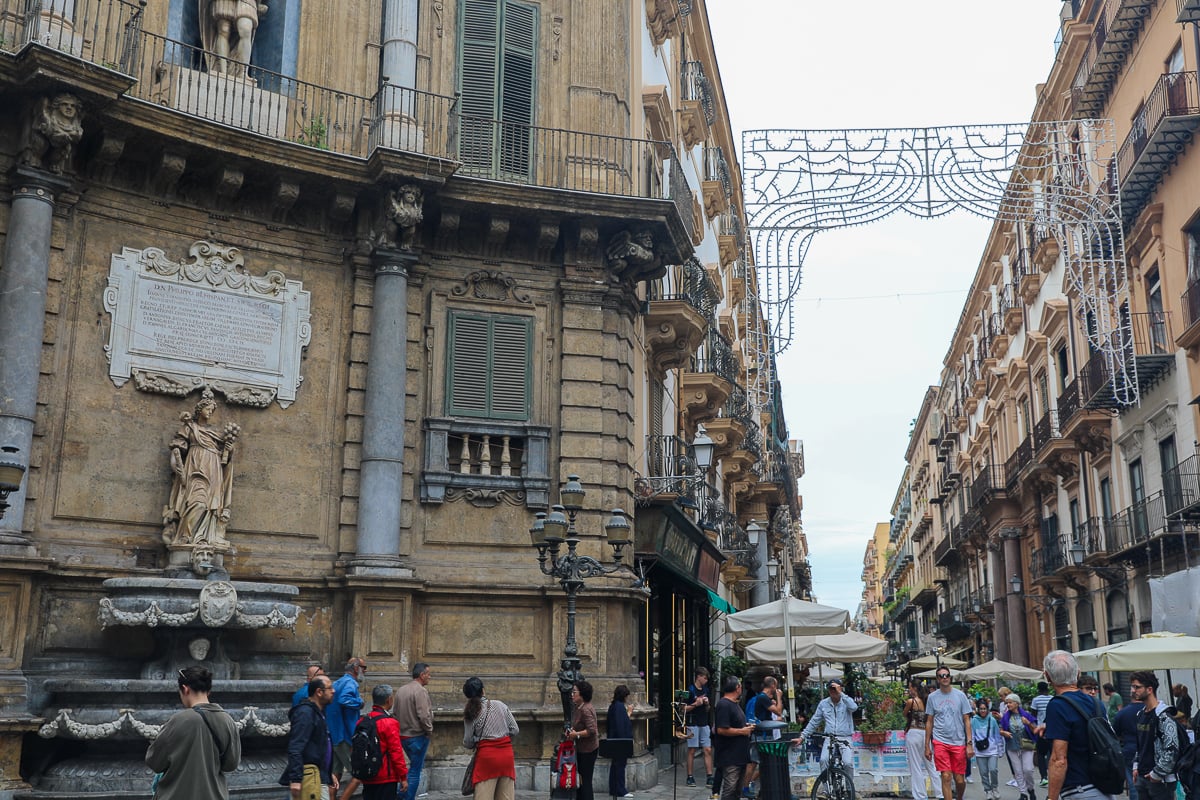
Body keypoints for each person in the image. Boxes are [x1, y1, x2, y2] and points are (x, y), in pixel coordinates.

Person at [146, 665, 241, 800]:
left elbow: (155, 762)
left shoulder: (178, 721)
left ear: (185, 689)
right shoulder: (227, 721)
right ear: (208, 691)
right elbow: (230, 764)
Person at [164, 387, 238, 548]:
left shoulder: (215, 433)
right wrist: (176, 466)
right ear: (200, 410)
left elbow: (225, 459)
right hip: (195, 468)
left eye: (212, 410)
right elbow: (177, 448)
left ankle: (205, 538)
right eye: (208, 409)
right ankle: (185, 536)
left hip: (213, 469)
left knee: (212, 506)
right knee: (197, 502)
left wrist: (229, 450)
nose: (210, 412)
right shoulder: (189, 427)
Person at [1043, 649, 1115, 800]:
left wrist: (1051, 798)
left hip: (1079, 790)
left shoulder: (1057, 706)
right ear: (1078, 673)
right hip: (1104, 787)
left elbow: (1059, 759)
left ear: (1047, 677)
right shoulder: (1097, 704)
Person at [340, 685, 408, 800]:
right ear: (389, 700)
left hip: (368, 774)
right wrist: (403, 776)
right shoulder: (390, 723)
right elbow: (396, 752)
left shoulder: (362, 721)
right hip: (386, 775)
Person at [281, 674, 338, 800]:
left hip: (319, 775)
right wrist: (296, 779)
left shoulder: (318, 712)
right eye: (330, 688)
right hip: (309, 777)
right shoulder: (305, 713)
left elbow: (321, 746)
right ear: (319, 692)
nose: (333, 691)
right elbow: (296, 746)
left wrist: (328, 773)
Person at [462, 677, 519, 800]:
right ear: (483, 691)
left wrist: (479, 739)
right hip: (506, 757)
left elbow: (468, 742)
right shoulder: (500, 705)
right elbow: (515, 729)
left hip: (486, 759)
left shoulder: (471, 712)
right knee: (506, 797)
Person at [924, 667, 974, 800]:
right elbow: (929, 721)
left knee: (959, 780)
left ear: (950, 678)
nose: (944, 677)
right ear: (937, 679)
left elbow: (967, 720)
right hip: (940, 741)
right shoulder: (932, 697)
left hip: (958, 741)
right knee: (946, 776)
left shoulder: (960, 695)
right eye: (941, 676)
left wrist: (969, 743)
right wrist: (927, 745)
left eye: (946, 675)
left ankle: (959, 797)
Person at [1132, 670, 1181, 800]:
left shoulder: (1163, 717)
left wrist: (1157, 774)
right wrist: (1136, 766)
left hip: (1160, 780)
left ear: (1149, 689)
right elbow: (1140, 745)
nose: (1133, 690)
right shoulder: (1140, 715)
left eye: (1137, 687)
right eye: (1132, 687)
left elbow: (1172, 749)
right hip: (1142, 777)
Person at [801, 678, 858, 781]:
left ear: (840, 688)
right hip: (829, 737)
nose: (833, 691)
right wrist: (802, 737)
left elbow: (854, 707)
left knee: (848, 763)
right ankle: (827, 789)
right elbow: (814, 721)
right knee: (823, 760)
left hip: (845, 737)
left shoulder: (846, 701)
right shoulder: (824, 704)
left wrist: (841, 693)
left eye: (834, 688)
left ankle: (850, 789)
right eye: (830, 689)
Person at [713, 676, 756, 800]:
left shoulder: (734, 704)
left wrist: (746, 726)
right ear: (737, 688)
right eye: (740, 686)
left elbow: (733, 724)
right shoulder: (724, 704)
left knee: (737, 789)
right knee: (730, 788)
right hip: (730, 755)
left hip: (739, 755)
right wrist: (742, 731)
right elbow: (721, 729)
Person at [395, 662, 434, 800]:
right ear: (422, 675)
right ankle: (406, 797)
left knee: (408, 770)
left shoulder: (401, 690)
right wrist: (429, 730)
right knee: (414, 771)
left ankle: (402, 795)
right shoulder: (420, 691)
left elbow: (395, 712)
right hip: (417, 736)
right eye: (428, 673)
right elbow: (424, 715)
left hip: (403, 735)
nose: (430, 676)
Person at [328, 657, 367, 782]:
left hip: (335, 734)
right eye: (364, 667)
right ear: (356, 668)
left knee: (335, 773)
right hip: (345, 736)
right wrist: (359, 702)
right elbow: (344, 699)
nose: (365, 671)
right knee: (358, 774)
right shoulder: (350, 683)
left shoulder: (337, 683)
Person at [746, 676, 784, 795]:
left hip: (762, 733)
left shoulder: (762, 698)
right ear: (772, 685)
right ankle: (745, 788)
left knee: (763, 763)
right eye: (776, 685)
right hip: (762, 735)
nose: (776, 688)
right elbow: (778, 711)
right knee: (754, 762)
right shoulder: (763, 698)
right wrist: (779, 697)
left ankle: (762, 788)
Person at [905, 679, 943, 800]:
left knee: (915, 766)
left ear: (914, 688)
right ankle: (940, 793)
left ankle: (920, 795)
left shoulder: (911, 701)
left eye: (910, 687)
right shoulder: (927, 700)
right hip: (925, 734)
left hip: (913, 732)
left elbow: (904, 714)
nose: (909, 690)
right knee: (931, 765)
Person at [1001, 693, 1039, 800]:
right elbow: (1001, 729)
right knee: (1018, 771)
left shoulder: (1026, 715)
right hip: (1012, 747)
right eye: (1007, 703)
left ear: (1017, 703)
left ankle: (1030, 788)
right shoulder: (1006, 717)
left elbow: (1035, 730)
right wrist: (1003, 733)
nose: (1008, 705)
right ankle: (1023, 793)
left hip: (1026, 746)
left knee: (1028, 769)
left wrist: (1028, 723)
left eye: (1010, 702)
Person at [568, 680, 599, 800]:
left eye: (574, 692)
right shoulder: (579, 707)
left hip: (588, 751)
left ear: (582, 694)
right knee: (581, 780)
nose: (572, 694)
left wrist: (577, 735)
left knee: (585, 781)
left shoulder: (586, 709)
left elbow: (592, 730)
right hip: (582, 749)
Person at [685, 666, 714, 788]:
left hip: (704, 722)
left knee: (707, 749)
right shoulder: (690, 690)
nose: (706, 680)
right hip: (693, 723)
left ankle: (709, 776)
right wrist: (695, 704)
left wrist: (707, 704)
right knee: (692, 750)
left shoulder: (706, 690)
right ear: (698, 677)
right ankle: (690, 776)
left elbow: (708, 709)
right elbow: (684, 709)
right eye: (704, 678)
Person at [1112, 691, 1144, 800]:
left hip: (1129, 749)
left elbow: (1115, 733)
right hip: (1147, 749)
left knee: (1133, 782)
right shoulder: (1149, 710)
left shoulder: (1122, 713)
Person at [972, 698, 1002, 800]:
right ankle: (987, 790)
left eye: (984, 709)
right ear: (978, 709)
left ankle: (995, 787)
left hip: (992, 750)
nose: (983, 711)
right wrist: (971, 749)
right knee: (983, 773)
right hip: (980, 752)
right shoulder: (974, 721)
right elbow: (972, 736)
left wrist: (1000, 749)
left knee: (993, 770)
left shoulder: (992, 720)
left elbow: (997, 735)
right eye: (981, 709)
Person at [607, 685, 634, 799]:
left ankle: (614, 789)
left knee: (616, 765)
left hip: (615, 740)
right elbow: (621, 725)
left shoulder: (614, 706)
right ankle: (620, 789)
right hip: (619, 741)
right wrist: (629, 712)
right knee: (619, 765)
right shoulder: (618, 707)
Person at [1031, 681, 1053, 787]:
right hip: (1053, 729)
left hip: (1041, 730)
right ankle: (1053, 776)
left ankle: (1044, 777)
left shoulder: (1036, 700)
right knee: (1053, 754)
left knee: (1040, 754)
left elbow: (1033, 715)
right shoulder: (1052, 698)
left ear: (1038, 689)